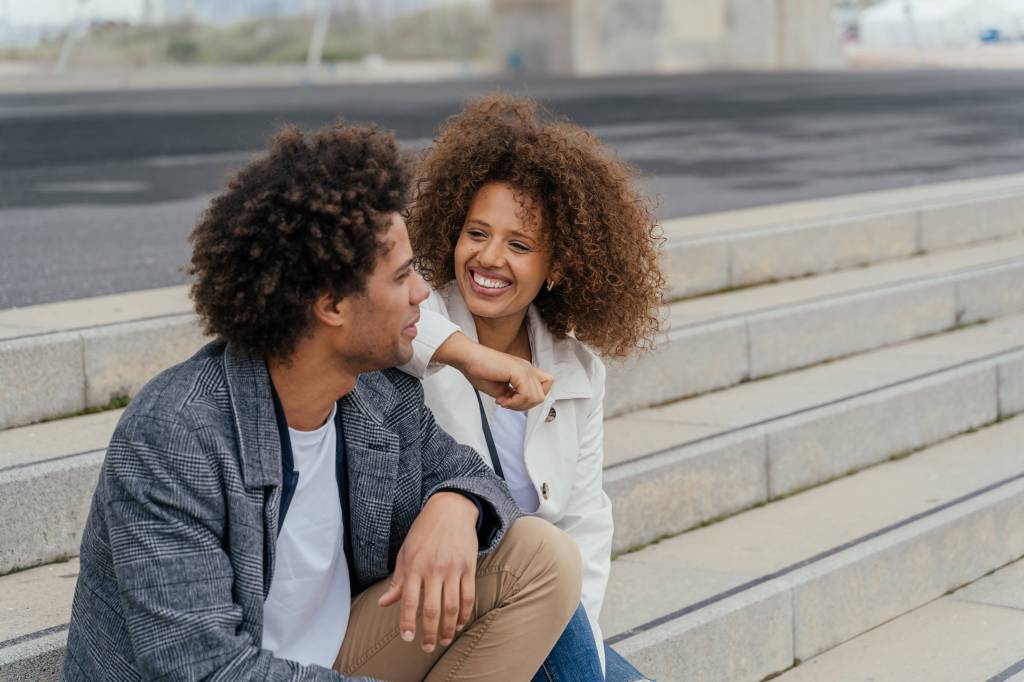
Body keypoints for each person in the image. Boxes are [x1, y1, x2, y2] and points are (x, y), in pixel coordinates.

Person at [61, 121, 584, 681]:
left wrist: (456, 504)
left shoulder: (376, 392)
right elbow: (204, 670)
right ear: (332, 304)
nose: (423, 293)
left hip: (337, 655)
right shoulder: (177, 436)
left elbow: (470, 472)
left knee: (539, 558)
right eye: (402, 276)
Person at [403, 94, 665, 681]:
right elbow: (394, 324)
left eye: (519, 245)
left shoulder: (578, 368)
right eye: (476, 232)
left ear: (561, 265)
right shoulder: (418, 316)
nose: (488, 258)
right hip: (436, 603)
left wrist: (581, 647)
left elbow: (584, 522)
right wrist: (467, 355)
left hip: (542, 608)